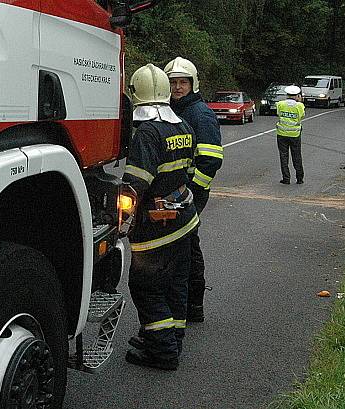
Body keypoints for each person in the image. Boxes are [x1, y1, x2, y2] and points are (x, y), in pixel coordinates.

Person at [123, 63, 199, 370]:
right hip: (185, 221)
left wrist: (120, 223)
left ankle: (163, 352)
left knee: (146, 287)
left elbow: (133, 188)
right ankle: (173, 341)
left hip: (156, 230)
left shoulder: (147, 133)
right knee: (176, 285)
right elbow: (190, 174)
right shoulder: (183, 126)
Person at [163, 57, 223, 322]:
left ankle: (193, 305)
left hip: (191, 193)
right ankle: (185, 305)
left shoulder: (201, 114)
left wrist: (191, 191)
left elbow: (211, 160)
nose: (177, 88)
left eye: (182, 83)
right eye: (173, 83)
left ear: (193, 84)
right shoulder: (172, 110)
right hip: (176, 192)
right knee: (180, 245)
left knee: (187, 246)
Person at [275, 85, 305, 185]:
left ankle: (286, 178)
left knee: (283, 156)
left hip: (282, 134)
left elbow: (279, 114)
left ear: (286, 95)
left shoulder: (280, 104)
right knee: (296, 156)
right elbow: (301, 116)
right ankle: (299, 178)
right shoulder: (299, 106)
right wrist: (300, 102)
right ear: (297, 96)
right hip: (295, 134)